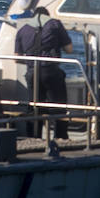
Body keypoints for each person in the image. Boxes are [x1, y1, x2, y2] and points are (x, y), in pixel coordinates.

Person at [14, 9, 73, 137]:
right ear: (48, 15)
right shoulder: (55, 25)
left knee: (34, 106)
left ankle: (32, 137)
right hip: (51, 71)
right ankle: (60, 137)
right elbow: (69, 49)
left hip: (31, 73)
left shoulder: (23, 29)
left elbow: (17, 58)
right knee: (58, 106)